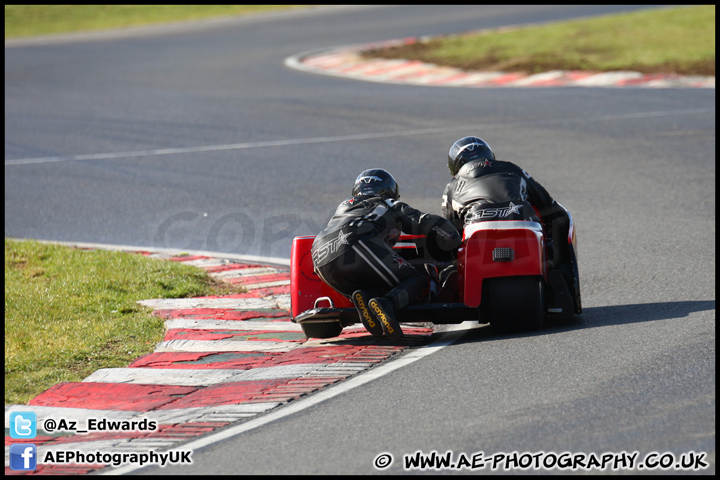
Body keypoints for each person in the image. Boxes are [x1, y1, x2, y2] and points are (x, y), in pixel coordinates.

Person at [312, 168, 461, 340]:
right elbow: (421, 221)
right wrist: (452, 237)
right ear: (389, 191)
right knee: (418, 279)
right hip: (355, 244)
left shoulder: (344, 206)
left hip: (320, 257)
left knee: (381, 284)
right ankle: (386, 303)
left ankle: (367, 296)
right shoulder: (386, 203)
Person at [441, 136, 578, 317]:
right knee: (561, 218)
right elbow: (548, 204)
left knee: (450, 243)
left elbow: (451, 228)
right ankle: (558, 273)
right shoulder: (512, 169)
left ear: (454, 166)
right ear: (489, 155)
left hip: (477, 227)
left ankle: (451, 279)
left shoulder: (452, 186)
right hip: (521, 220)